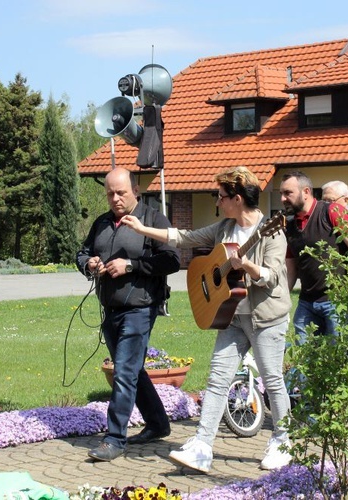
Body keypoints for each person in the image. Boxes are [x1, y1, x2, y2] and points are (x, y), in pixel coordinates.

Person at [122, 166, 292, 472]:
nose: (218, 201)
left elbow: (271, 276)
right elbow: (184, 237)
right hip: (232, 317)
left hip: (266, 318)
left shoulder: (272, 231)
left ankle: (282, 440)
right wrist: (142, 229)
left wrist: (247, 266)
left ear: (237, 199)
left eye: (222, 196)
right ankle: (202, 445)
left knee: (272, 380)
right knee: (216, 380)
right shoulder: (225, 228)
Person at [76, 168, 180, 462]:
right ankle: (158, 424)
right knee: (131, 369)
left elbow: (172, 260)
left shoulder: (153, 219)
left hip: (141, 307)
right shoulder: (102, 222)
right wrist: (90, 264)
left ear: (135, 189)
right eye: (110, 193)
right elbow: (81, 253)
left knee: (123, 372)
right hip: (110, 308)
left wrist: (131, 265)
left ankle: (114, 439)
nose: (115, 198)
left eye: (121, 192)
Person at [279, 172, 348, 339]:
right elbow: (291, 269)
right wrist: (282, 301)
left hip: (337, 301)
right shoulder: (290, 227)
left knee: (343, 356)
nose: (283, 199)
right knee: (305, 357)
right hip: (306, 303)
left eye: (288, 193)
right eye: (281, 194)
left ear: (306, 192)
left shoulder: (331, 211)